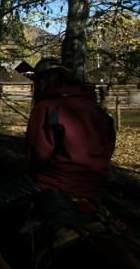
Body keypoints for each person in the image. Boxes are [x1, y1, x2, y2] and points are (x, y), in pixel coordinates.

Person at [25, 58, 116, 230]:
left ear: (42, 81)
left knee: (1, 198)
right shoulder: (95, 108)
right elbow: (109, 146)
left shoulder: (46, 107)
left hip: (56, 183)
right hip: (95, 186)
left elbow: (37, 154)